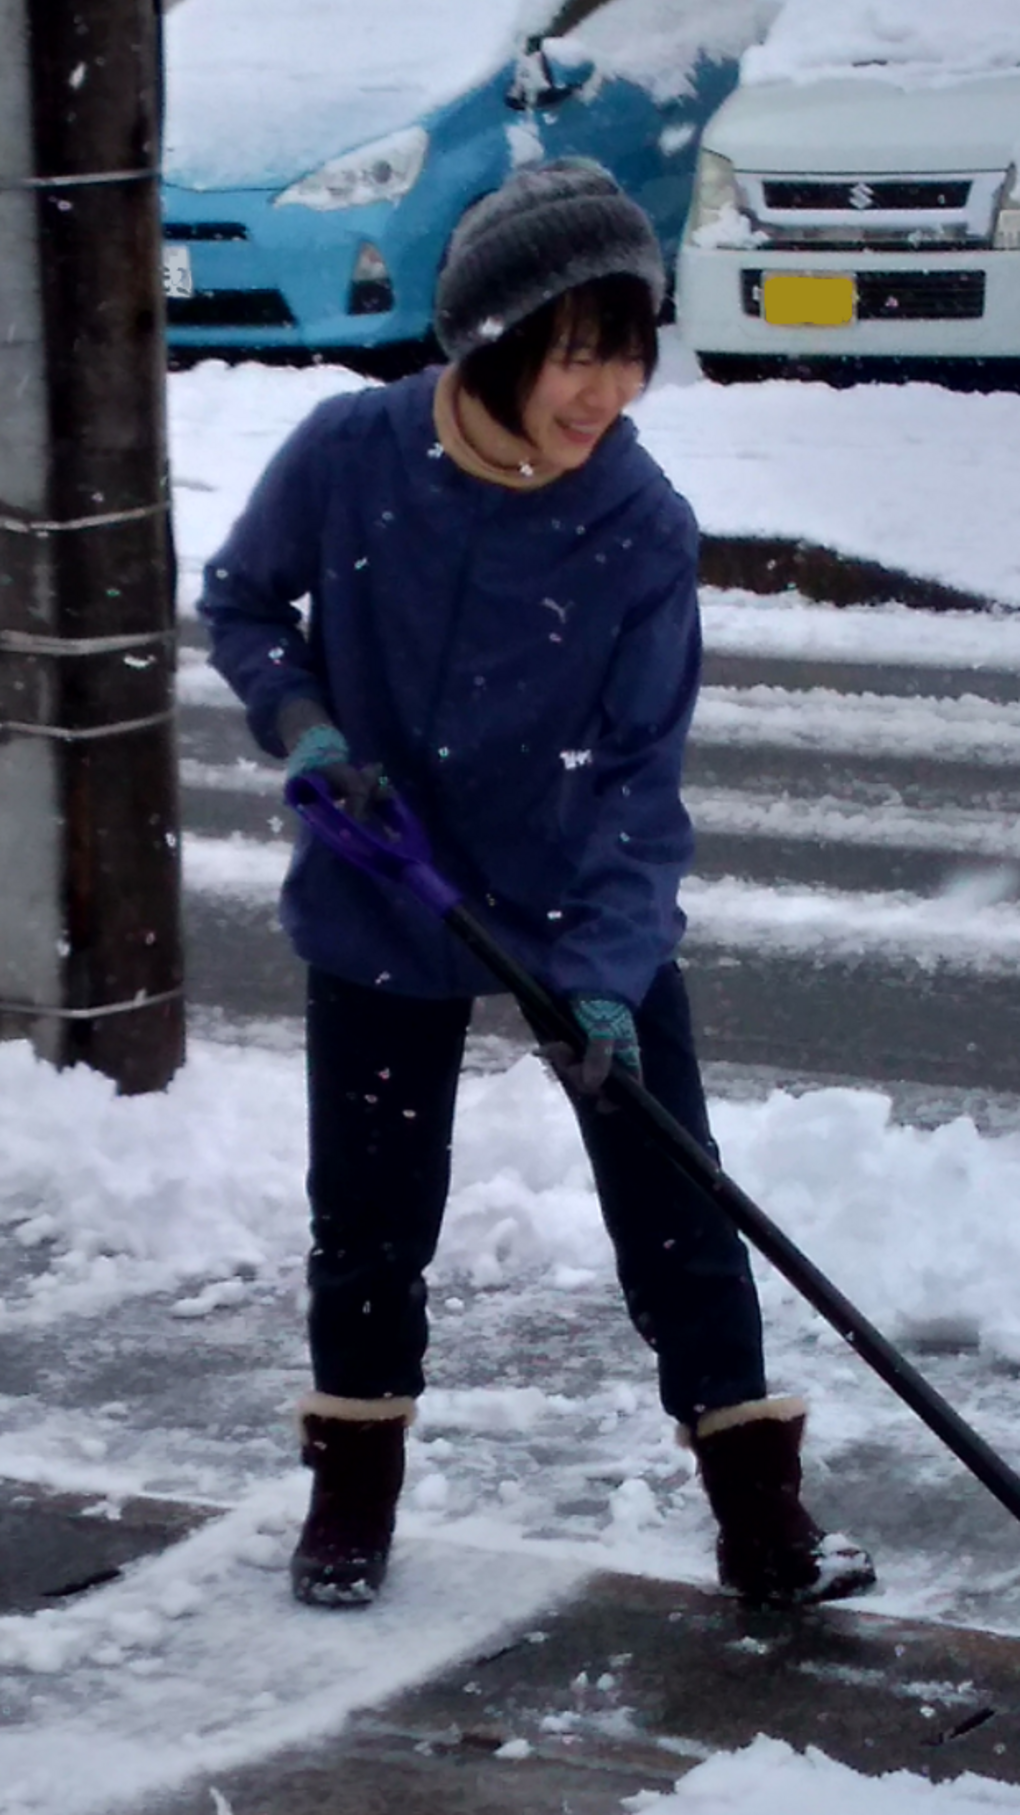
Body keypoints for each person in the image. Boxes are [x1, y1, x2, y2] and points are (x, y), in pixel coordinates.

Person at [198, 160, 876, 1612]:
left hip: (577, 908)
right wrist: (305, 725)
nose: (608, 387)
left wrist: (612, 974)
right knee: (370, 1221)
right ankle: (351, 1504)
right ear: (494, 341)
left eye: (628, 347)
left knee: (678, 1204)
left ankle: (763, 1518)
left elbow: (641, 777)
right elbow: (247, 603)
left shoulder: (639, 526)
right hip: (390, 888)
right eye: (576, 349)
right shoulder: (351, 456)